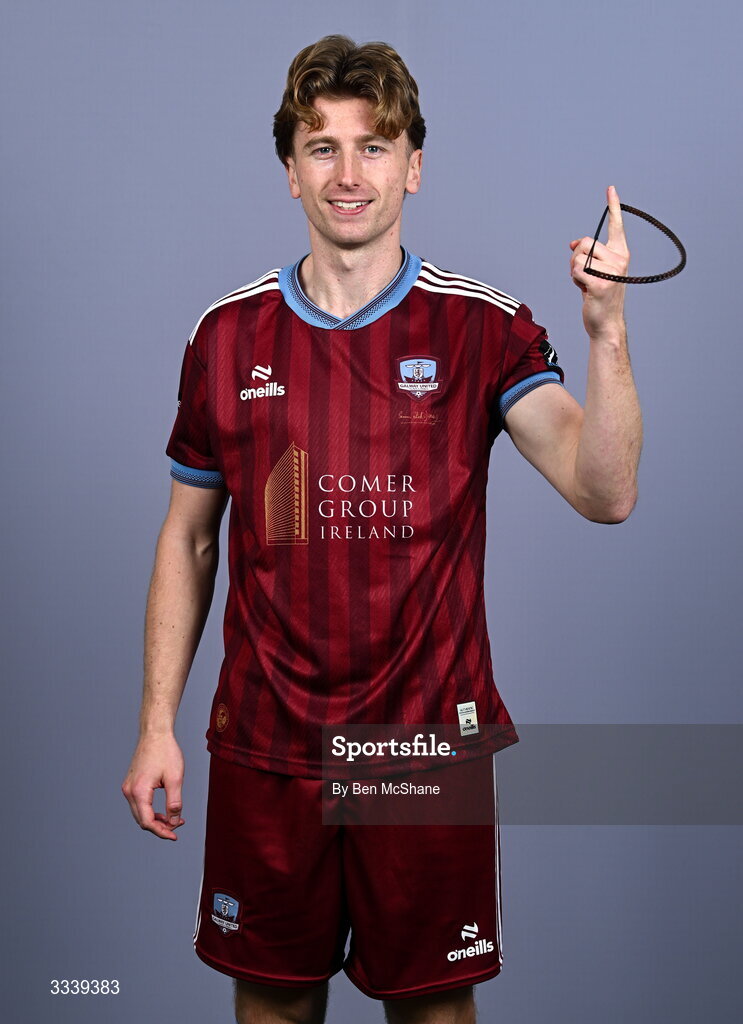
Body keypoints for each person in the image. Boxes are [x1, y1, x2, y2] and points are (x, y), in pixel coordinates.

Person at [121, 33, 641, 1024]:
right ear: (290, 171)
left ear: (414, 165)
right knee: (271, 1007)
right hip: (267, 745)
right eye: (322, 147)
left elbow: (603, 490)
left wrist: (606, 332)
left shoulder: (481, 327)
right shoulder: (225, 336)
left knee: (432, 1012)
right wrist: (155, 727)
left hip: (422, 750)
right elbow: (188, 540)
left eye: (374, 146)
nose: (348, 174)